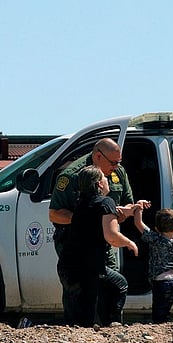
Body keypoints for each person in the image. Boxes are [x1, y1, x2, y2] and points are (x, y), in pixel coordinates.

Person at [49, 137, 137, 326]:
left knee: (109, 288)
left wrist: (118, 213)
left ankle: (108, 330)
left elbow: (127, 203)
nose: (117, 166)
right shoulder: (73, 175)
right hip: (75, 244)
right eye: (113, 162)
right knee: (79, 292)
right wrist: (91, 217)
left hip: (102, 244)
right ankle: (76, 331)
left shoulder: (118, 171)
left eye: (119, 162)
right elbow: (54, 214)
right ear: (98, 156)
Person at [134, 206, 173, 323]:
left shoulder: (154, 239)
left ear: (156, 229)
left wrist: (139, 208)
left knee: (160, 315)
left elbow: (138, 223)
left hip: (162, 282)